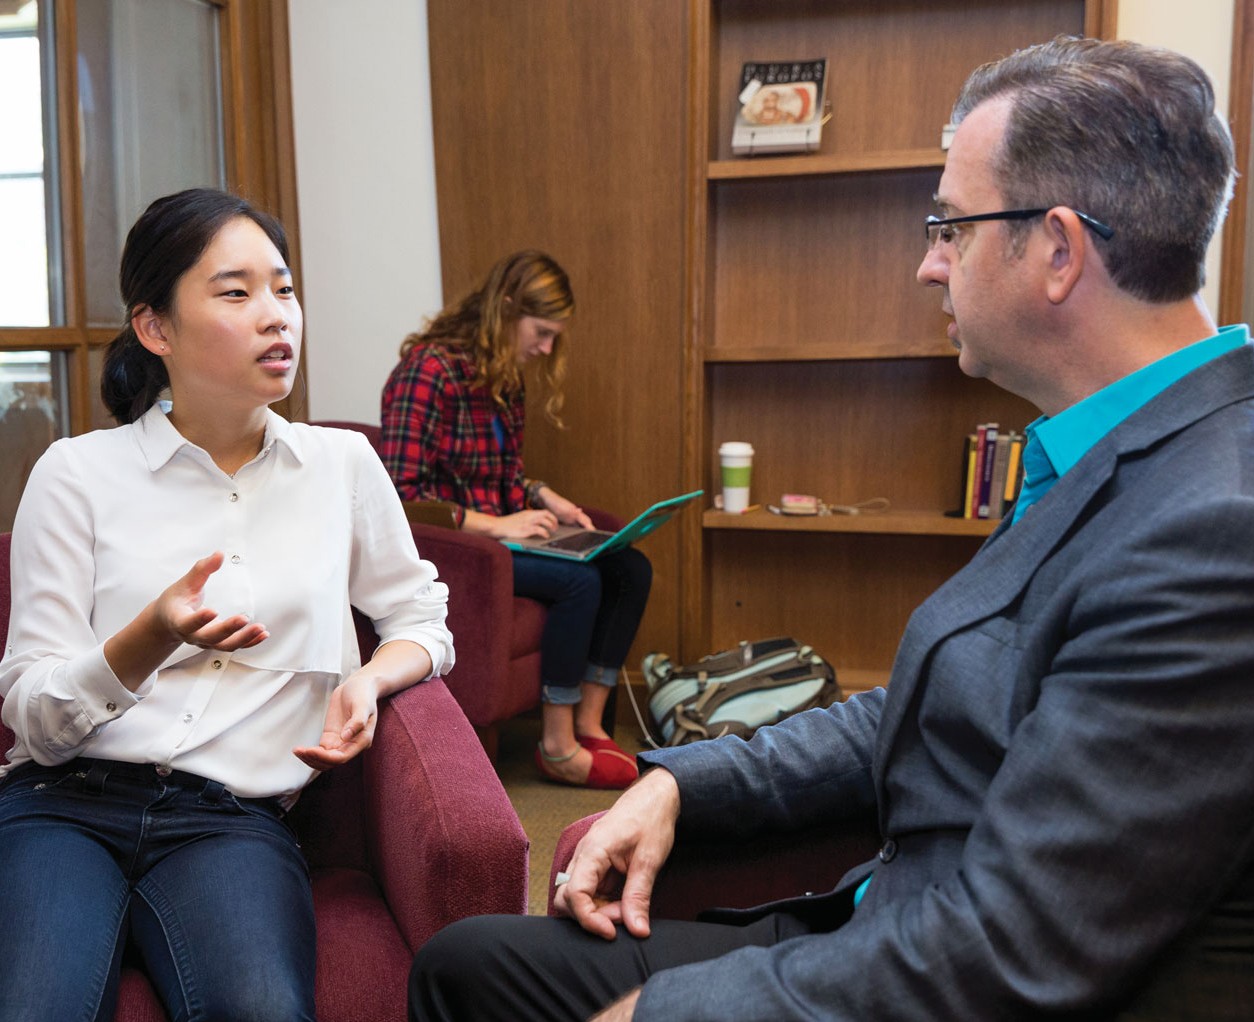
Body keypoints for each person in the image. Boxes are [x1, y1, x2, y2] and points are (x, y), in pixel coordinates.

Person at [408, 35, 1254, 1021]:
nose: (929, 264)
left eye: (950, 225)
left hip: (929, 963)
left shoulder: (1211, 530)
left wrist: (661, 1015)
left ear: (1058, 250)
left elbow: (1009, 955)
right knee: (467, 966)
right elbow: (926, 708)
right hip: (884, 914)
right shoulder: (1114, 450)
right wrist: (682, 785)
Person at [0, 187, 454, 1022]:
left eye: (283, 288)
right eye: (236, 292)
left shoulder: (343, 465)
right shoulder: (76, 474)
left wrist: (369, 683)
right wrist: (146, 639)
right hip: (61, 808)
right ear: (155, 329)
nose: (276, 316)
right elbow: (32, 716)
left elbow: (421, 619)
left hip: (231, 820)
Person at [380, 250, 650, 790]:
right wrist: (498, 526)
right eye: (542, 332)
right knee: (580, 581)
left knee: (630, 567)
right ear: (505, 309)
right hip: (459, 551)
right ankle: (557, 745)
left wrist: (545, 497)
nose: (546, 349)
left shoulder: (503, 376)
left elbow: (505, 475)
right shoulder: (427, 372)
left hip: (506, 539)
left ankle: (590, 724)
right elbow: (401, 496)